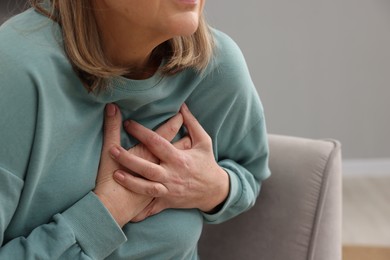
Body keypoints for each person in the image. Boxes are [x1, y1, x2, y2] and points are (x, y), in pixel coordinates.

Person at [0, 0, 270, 259]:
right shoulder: (14, 71)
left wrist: (214, 188)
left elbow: (249, 172)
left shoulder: (215, 67)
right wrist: (108, 212)